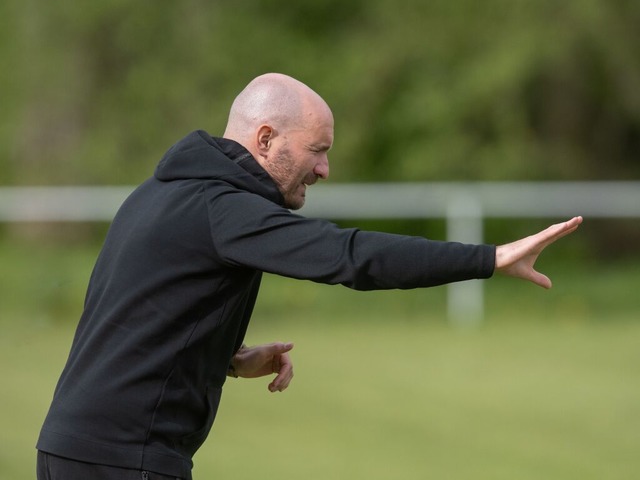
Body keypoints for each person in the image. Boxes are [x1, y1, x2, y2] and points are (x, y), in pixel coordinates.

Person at [36, 73, 583, 480]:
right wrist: (490, 258)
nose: (324, 169)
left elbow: (140, 314)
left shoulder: (158, 194)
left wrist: (226, 357)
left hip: (71, 448)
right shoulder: (223, 209)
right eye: (317, 151)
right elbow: (350, 256)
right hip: (122, 459)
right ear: (267, 138)